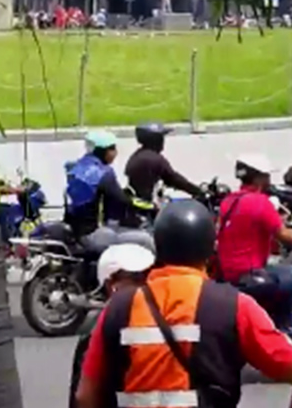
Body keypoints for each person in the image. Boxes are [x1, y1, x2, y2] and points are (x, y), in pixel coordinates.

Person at [75, 199, 292, 408]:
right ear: (210, 249)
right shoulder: (234, 305)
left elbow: (85, 395)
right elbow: (284, 362)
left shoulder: (119, 307)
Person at [68, 243, 155, 408]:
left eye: (145, 277)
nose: (142, 285)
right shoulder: (99, 325)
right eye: (134, 279)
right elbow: (83, 395)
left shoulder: (162, 315)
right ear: (110, 284)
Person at [215, 154, 292, 329]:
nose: (269, 180)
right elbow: (284, 236)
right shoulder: (260, 202)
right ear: (259, 178)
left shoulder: (229, 201)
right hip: (250, 276)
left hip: (229, 275)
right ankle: (285, 330)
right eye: (267, 176)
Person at [64, 131, 133, 236]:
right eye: (112, 148)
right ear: (101, 151)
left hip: (73, 229)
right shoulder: (104, 173)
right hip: (92, 233)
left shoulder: (74, 167)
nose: (115, 153)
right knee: (143, 240)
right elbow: (121, 200)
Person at [124, 122, 202, 202]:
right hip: (147, 205)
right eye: (161, 138)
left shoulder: (138, 155)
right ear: (155, 140)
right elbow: (174, 179)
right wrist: (198, 191)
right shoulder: (154, 159)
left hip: (137, 202)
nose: (163, 141)